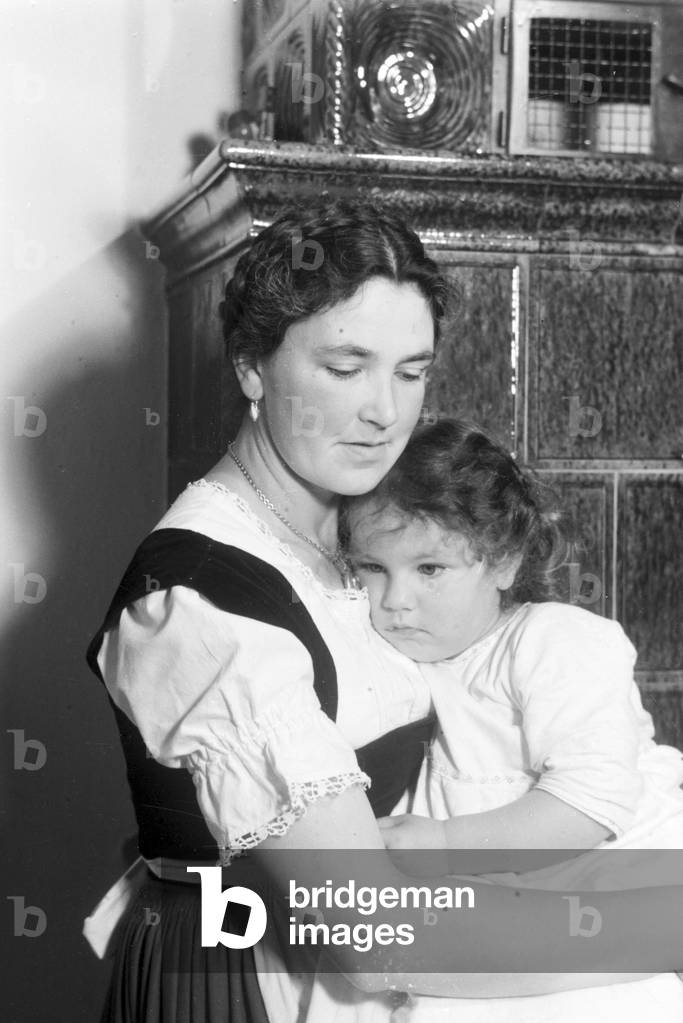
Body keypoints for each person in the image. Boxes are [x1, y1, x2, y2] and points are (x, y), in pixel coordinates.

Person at [85, 200, 683, 1023]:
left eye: (411, 372)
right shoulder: (198, 598)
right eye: (344, 367)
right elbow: (372, 937)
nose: (384, 410)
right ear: (252, 365)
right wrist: (659, 921)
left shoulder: (366, 523)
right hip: (251, 980)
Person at [344, 416, 683, 1021]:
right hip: (517, 897)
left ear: (502, 563)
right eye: (372, 568)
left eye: (429, 569)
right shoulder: (410, 657)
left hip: (624, 880)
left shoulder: (557, 640)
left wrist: (443, 844)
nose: (395, 601)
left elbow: (589, 804)